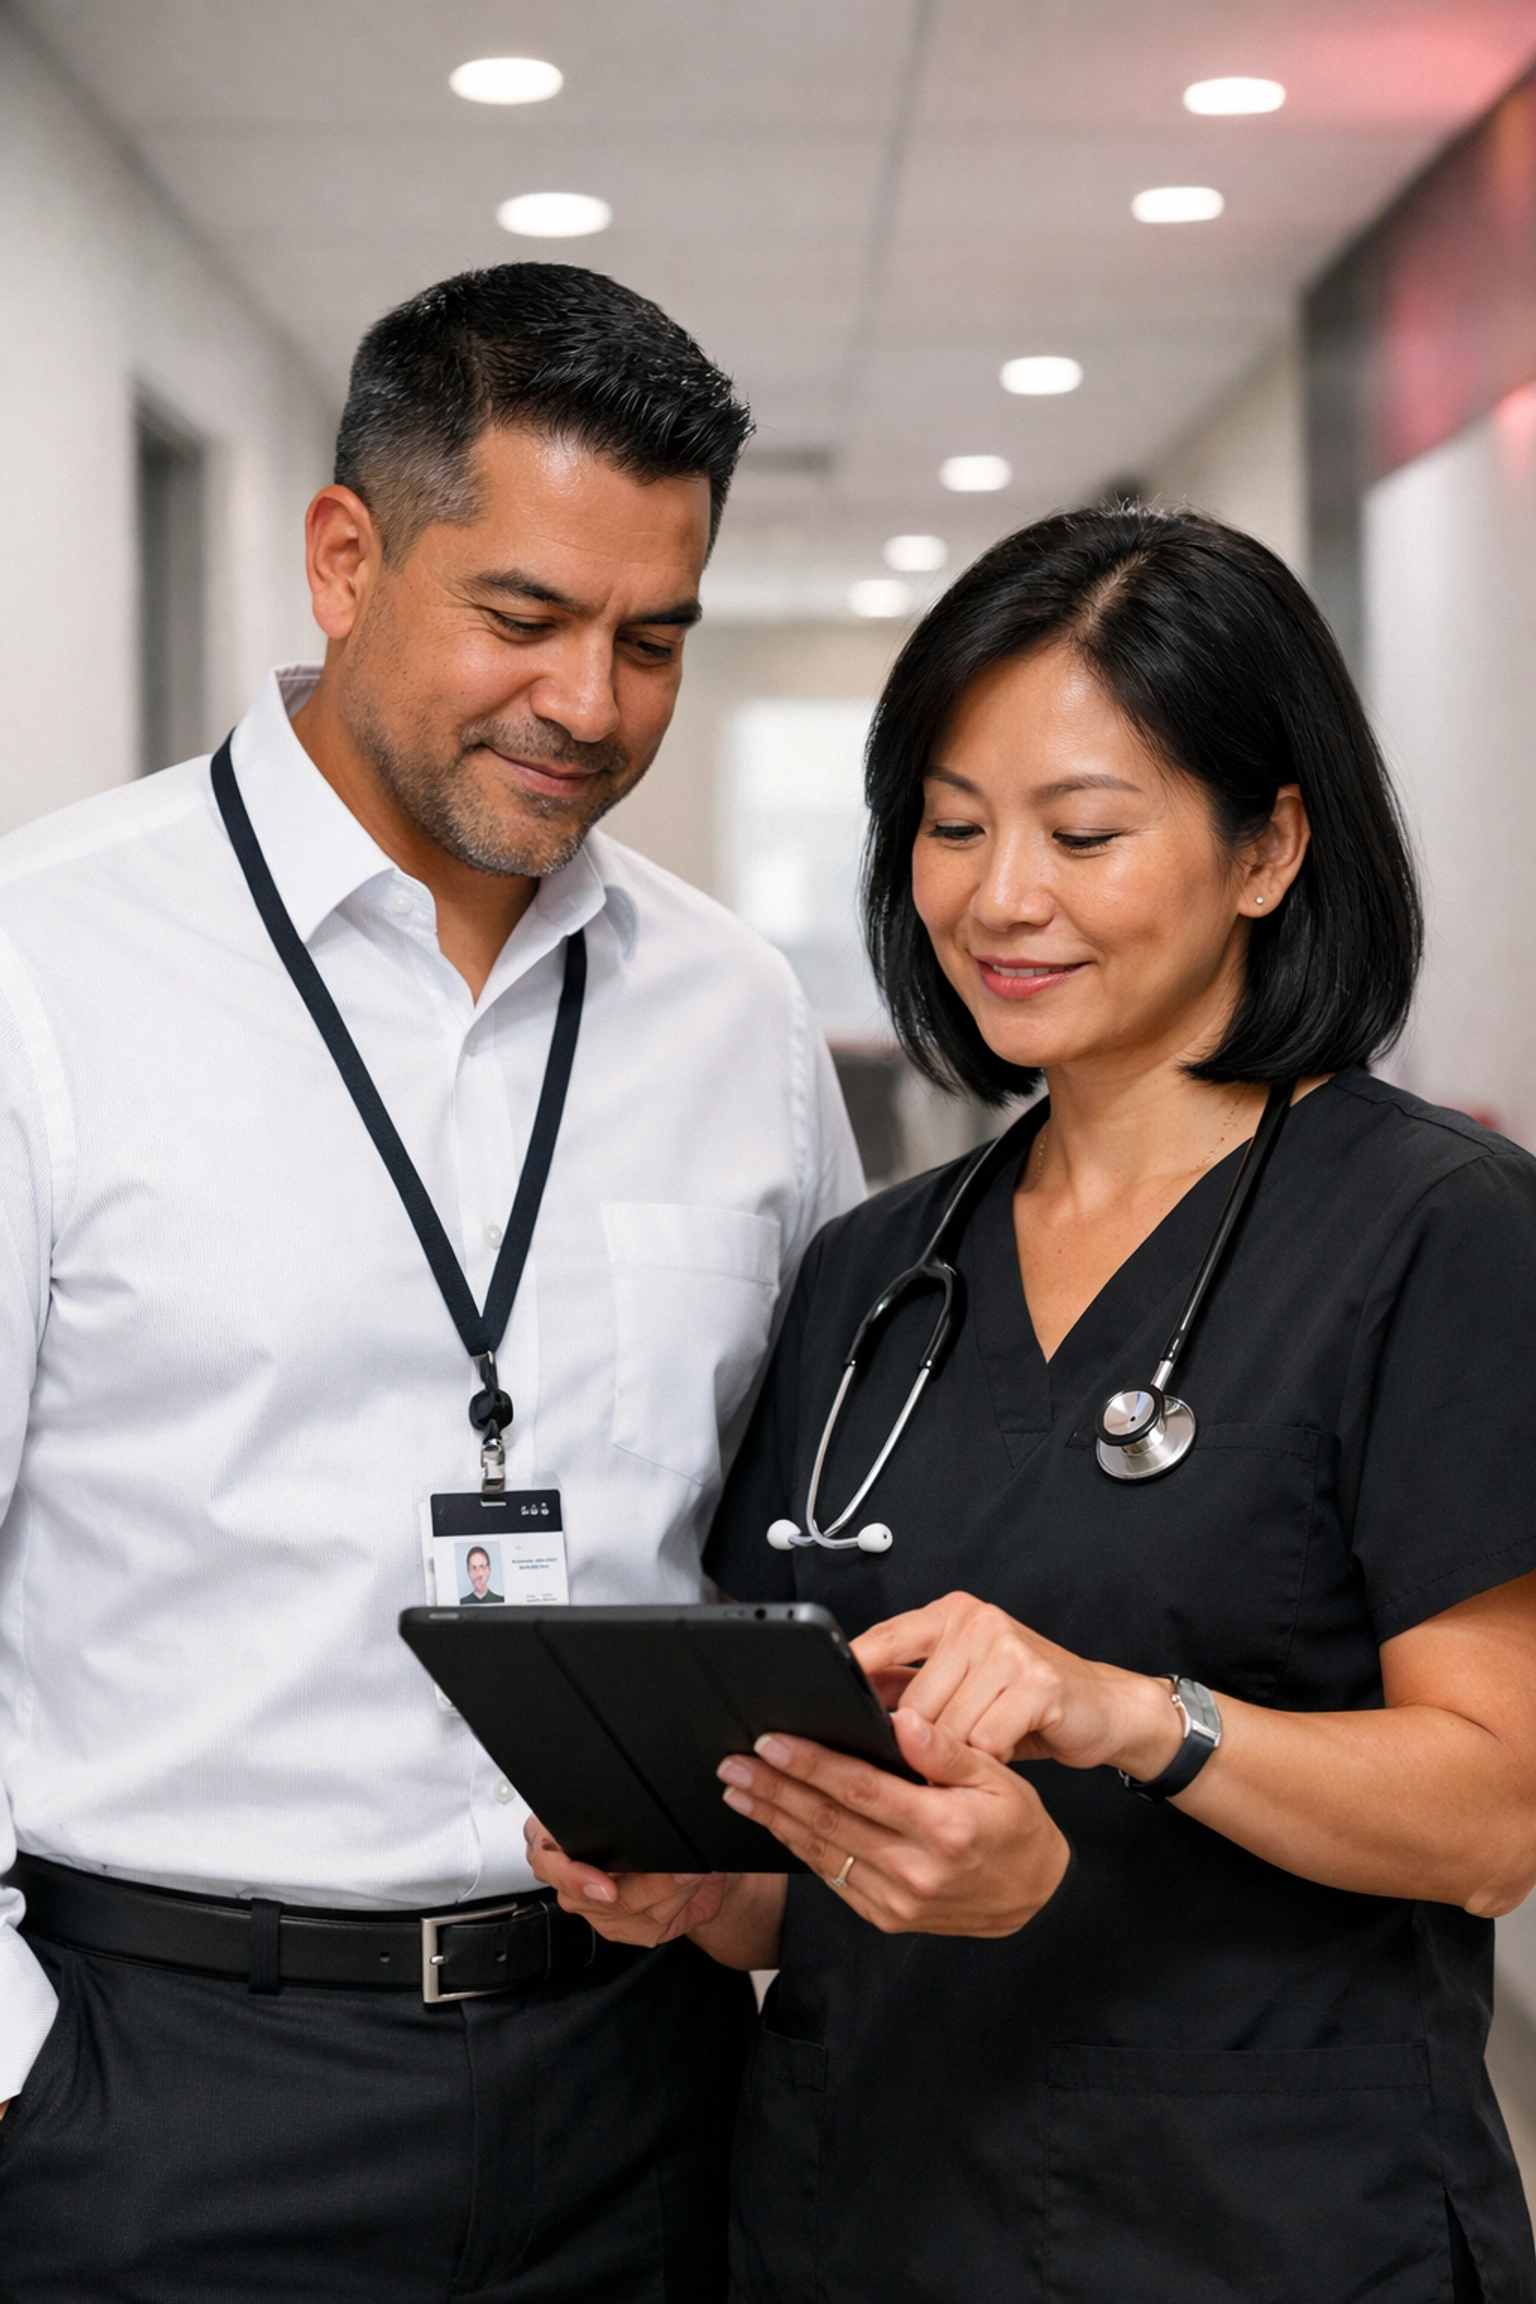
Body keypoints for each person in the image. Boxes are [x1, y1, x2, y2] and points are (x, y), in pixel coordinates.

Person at [531, 508, 1536, 2302]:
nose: (1001, 897)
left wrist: (1137, 1717)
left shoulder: (1432, 1233)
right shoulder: (874, 1272)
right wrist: (700, 1888)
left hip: (1264, 2225)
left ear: (1268, 846)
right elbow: (808, 1868)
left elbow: (1493, 1817)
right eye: (951, 825)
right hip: (862, 2217)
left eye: (1083, 832)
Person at [0, 263, 862, 2300]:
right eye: (525, 619)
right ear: (342, 557)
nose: (592, 704)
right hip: (171, 2088)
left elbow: (808, 1526)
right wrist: (32, 2089)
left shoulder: (735, 1013)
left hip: (642, 2079)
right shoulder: (42, 971)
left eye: (655, 640)